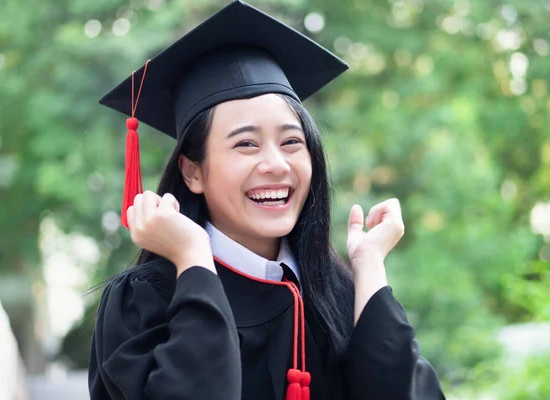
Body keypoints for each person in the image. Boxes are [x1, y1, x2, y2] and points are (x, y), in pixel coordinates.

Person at [88, 1, 445, 399]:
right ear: (193, 171)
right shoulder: (146, 298)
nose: (275, 164)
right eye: (246, 144)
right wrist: (192, 256)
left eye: (292, 141)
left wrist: (369, 269)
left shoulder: (334, 292)